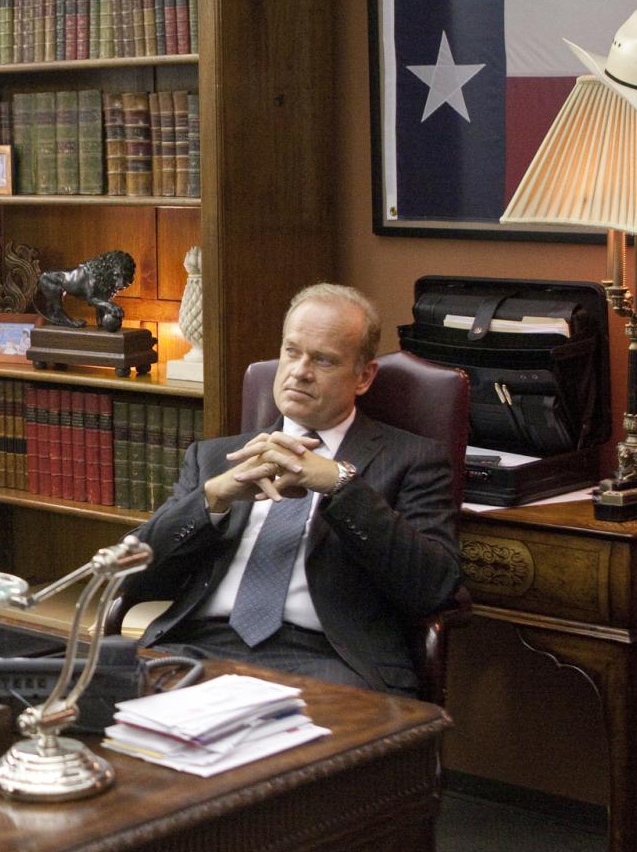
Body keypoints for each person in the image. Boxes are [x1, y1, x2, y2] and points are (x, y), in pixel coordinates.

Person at [127, 283, 461, 694]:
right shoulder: (214, 459)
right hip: (199, 647)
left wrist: (340, 484)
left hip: (328, 660)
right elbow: (131, 577)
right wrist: (212, 499)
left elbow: (433, 588)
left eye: (323, 359)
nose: (300, 371)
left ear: (363, 377)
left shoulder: (412, 459)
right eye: (292, 352)